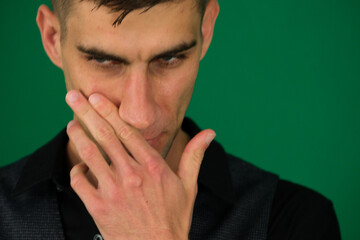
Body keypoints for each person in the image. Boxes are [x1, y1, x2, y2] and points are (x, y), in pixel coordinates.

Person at [0, 0, 341, 239]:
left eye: (171, 58)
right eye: (104, 61)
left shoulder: (293, 221)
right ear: (52, 38)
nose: (140, 115)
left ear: (206, 29)